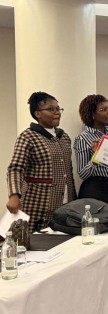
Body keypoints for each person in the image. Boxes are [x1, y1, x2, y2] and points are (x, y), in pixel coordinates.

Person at [6, 92, 77, 232]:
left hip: (63, 205)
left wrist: (73, 200)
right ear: (37, 113)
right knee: (30, 246)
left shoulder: (64, 137)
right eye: (51, 109)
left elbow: (68, 172)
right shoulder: (28, 136)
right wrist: (14, 195)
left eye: (58, 109)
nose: (57, 112)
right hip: (37, 205)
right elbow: (15, 168)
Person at [74, 95, 108, 218]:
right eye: (103, 110)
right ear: (92, 115)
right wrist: (96, 158)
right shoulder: (83, 138)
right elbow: (82, 173)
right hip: (96, 190)